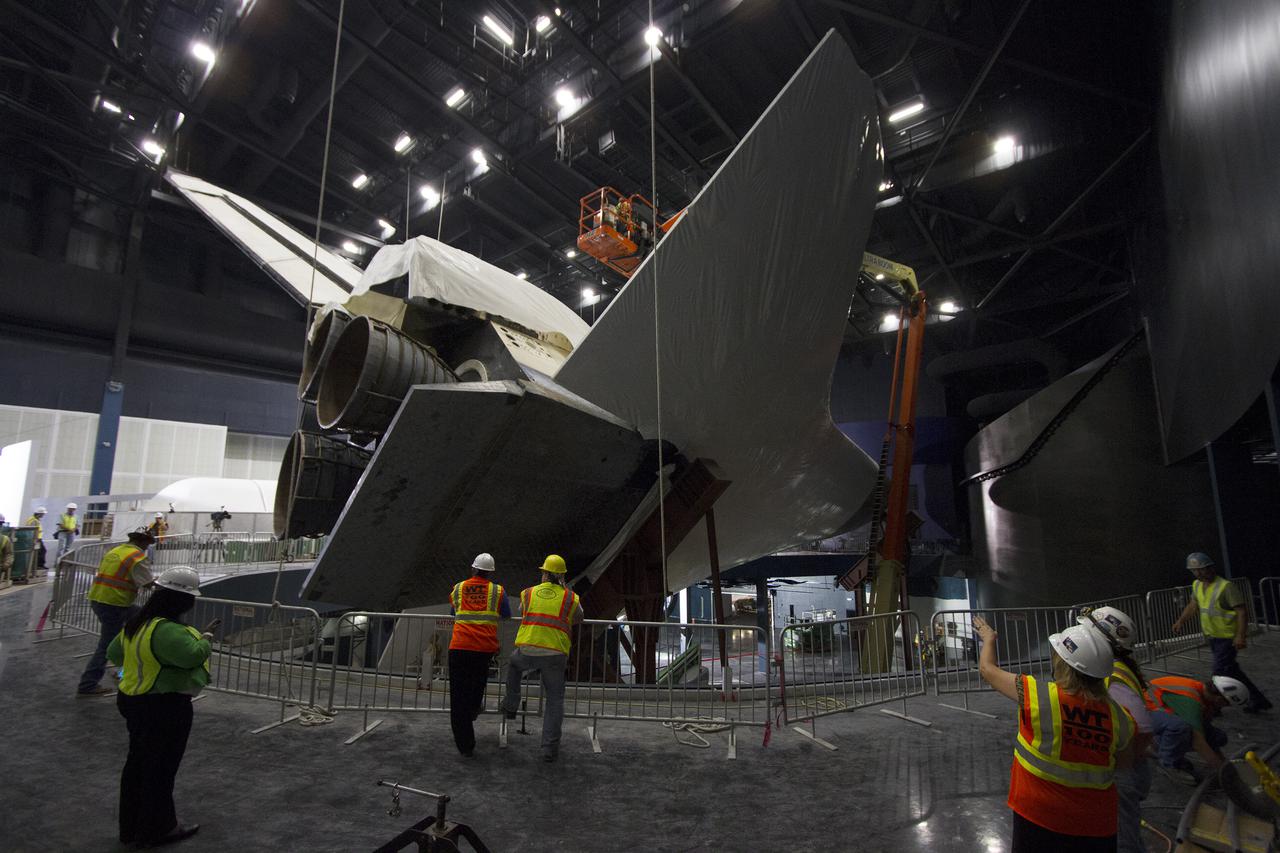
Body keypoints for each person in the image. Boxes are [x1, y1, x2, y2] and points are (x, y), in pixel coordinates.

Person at [974, 616, 1134, 853]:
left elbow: (987, 670)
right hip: (1096, 824)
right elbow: (1124, 763)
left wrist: (989, 638)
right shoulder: (1120, 718)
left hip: (1038, 815)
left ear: (1064, 665)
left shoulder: (1037, 695)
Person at [106, 566, 212, 848]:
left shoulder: (136, 624)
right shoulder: (168, 631)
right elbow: (191, 656)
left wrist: (142, 665)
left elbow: (114, 652)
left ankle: (131, 828)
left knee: (137, 766)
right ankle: (159, 828)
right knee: (161, 769)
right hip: (164, 706)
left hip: (132, 700)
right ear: (183, 601)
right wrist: (206, 640)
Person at [1079, 606, 1189, 852]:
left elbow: (1143, 729)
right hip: (1125, 770)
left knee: (1122, 842)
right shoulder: (1111, 667)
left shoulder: (1111, 674)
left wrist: (1125, 759)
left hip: (1121, 774)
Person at [500, 554, 583, 762]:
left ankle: (511, 705)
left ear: (544, 573)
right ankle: (549, 749)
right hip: (555, 653)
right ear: (562, 576)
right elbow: (579, 617)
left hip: (529, 649)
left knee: (513, 664)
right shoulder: (570, 598)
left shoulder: (528, 593)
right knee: (554, 700)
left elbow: (522, 610)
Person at [1172, 552, 1272, 712]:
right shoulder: (1197, 585)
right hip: (1213, 636)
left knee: (1219, 674)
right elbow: (1193, 605)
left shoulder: (1226, 587)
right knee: (1232, 671)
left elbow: (1241, 611)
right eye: (1195, 570)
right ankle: (1258, 699)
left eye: (1201, 569)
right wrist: (1181, 621)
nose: (1198, 573)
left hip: (1227, 638)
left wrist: (1240, 636)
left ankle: (1214, 705)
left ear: (1210, 568)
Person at [77, 528, 157, 697]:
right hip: (115, 604)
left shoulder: (116, 551)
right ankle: (88, 684)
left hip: (99, 599)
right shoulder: (137, 557)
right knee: (107, 645)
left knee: (141, 622)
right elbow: (148, 583)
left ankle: (124, 670)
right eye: (147, 544)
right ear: (142, 541)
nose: (147, 547)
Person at [447, 552, 511, 756]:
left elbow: (453, 612)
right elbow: (507, 614)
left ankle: (465, 746)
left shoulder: (459, 588)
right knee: (477, 688)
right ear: (490, 573)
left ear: (473, 569)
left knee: (458, 697)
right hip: (483, 649)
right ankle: (473, 709)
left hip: (459, 647)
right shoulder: (497, 591)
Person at [1147, 674, 1248, 783]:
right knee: (1180, 728)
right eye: (1226, 704)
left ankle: (1164, 750)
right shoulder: (1191, 701)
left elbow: (1205, 733)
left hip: (1161, 712)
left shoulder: (1202, 694)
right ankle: (1167, 763)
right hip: (1143, 711)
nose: (1223, 707)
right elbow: (1198, 743)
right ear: (1219, 699)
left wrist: (1223, 763)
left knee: (1218, 737)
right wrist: (1223, 771)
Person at [0, 518, 12, 586]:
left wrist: (5, 565)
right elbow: (9, 554)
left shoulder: (4, 539)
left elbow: (8, 554)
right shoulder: (5, 539)